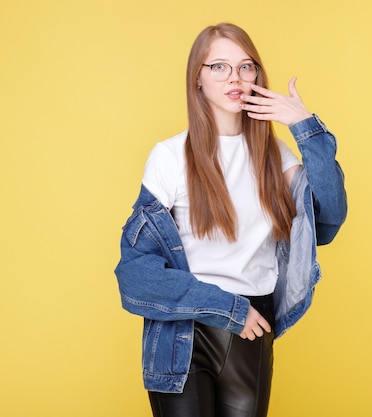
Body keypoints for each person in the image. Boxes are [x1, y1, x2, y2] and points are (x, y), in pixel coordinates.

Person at [114, 22, 347, 417]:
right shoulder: (171, 157)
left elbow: (329, 219)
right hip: (182, 332)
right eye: (219, 67)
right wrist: (226, 309)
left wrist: (305, 128)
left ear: (257, 74)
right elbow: (135, 273)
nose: (235, 77)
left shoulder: (275, 157)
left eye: (246, 66)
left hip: (251, 328)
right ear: (198, 80)